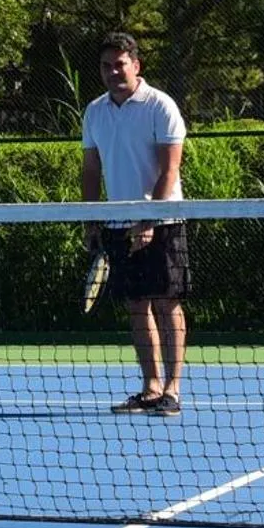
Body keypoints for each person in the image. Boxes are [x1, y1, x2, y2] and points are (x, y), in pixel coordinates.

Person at [79, 31, 189, 417]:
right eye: (106, 66)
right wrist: (91, 220)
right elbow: (91, 171)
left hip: (164, 219)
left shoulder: (161, 106)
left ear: (136, 65)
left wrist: (149, 220)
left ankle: (172, 390)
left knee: (166, 301)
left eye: (120, 64)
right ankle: (150, 387)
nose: (113, 71)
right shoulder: (94, 112)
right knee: (136, 305)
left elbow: (169, 169)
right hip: (115, 223)